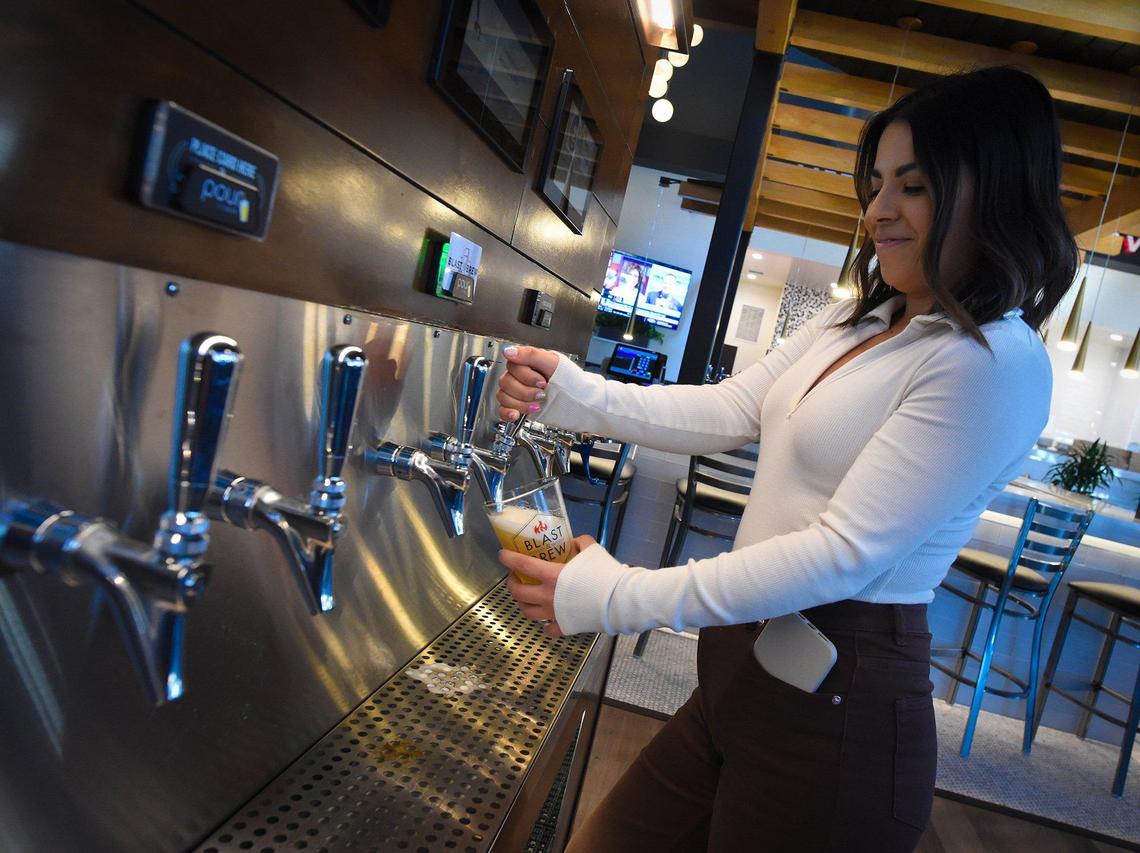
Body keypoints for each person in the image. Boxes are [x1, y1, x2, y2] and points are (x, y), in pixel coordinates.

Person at [496, 66, 1078, 852]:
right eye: (876, 184)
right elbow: (730, 407)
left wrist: (620, 595)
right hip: (741, 678)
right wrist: (575, 394)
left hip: (837, 721)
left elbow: (842, 555)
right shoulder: (860, 320)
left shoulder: (993, 361)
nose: (878, 210)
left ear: (995, 193)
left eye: (914, 186)